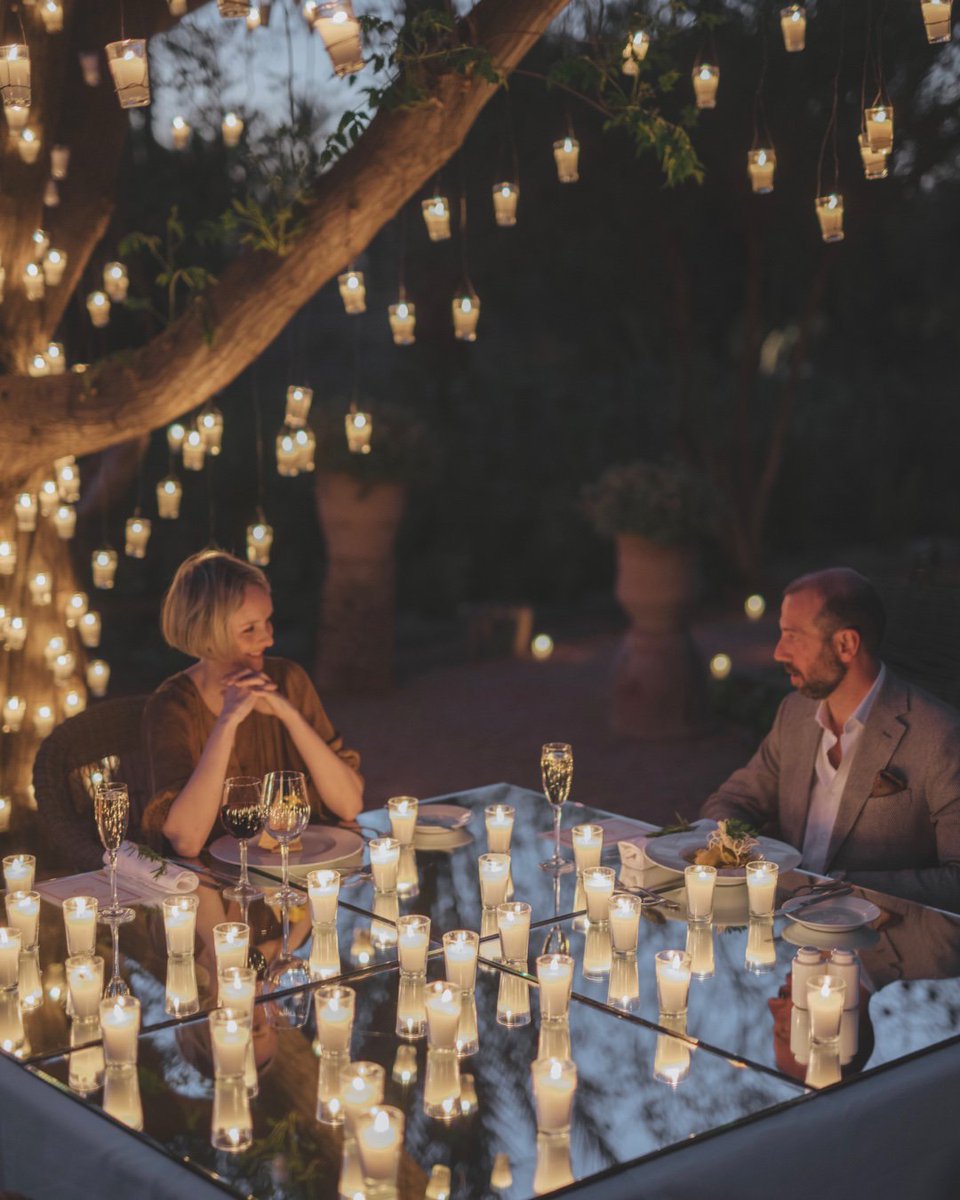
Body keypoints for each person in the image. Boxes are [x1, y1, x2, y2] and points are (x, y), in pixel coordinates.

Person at [702, 567, 960, 912]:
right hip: (787, 933)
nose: (779, 652)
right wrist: (728, 848)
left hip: (882, 950)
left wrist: (838, 889)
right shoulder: (794, 713)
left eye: (793, 636)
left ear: (846, 645)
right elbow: (735, 800)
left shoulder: (939, 736)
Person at [142, 550, 363, 857]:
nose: (269, 639)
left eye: (268, 622)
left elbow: (349, 804)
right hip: (215, 886)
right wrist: (227, 722)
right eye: (249, 629)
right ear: (207, 634)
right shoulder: (172, 706)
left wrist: (288, 714)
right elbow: (187, 841)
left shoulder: (287, 678)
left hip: (300, 872)